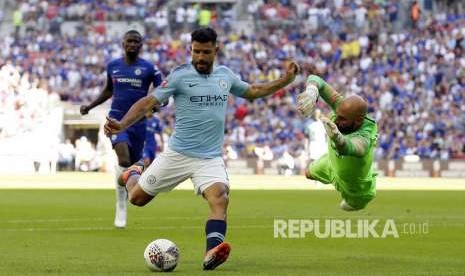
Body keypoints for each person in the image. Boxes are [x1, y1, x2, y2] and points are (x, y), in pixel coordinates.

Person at [104, 27, 299, 270]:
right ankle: (133, 173)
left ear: (215, 50)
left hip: (209, 158)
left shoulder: (225, 76)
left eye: (206, 52)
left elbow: (253, 91)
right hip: (177, 154)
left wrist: (286, 80)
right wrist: (122, 124)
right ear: (190, 50)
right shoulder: (179, 76)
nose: (200, 58)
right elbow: (148, 102)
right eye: (196, 52)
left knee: (220, 197)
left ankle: (211, 254)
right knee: (136, 199)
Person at [80, 30, 163, 228]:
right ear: (123, 43)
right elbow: (108, 90)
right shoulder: (113, 66)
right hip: (116, 120)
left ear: (141, 45)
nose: (132, 44)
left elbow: (162, 90)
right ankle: (121, 203)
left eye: (136, 42)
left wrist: (158, 103)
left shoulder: (149, 68)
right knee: (123, 159)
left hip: (138, 122)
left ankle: (126, 191)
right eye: (129, 41)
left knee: (133, 164)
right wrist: (90, 106)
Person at [297, 74, 378, 211]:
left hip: (356, 187)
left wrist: (339, 139)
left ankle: (364, 186)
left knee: (349, 206)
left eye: (343, 119)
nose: (336, 121)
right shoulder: (343, 107)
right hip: (331, 163)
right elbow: (316, 79)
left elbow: (356, 147)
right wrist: (312, 92)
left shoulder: (365, 134)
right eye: (338, 115)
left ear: (358, 120)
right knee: (308, 173)